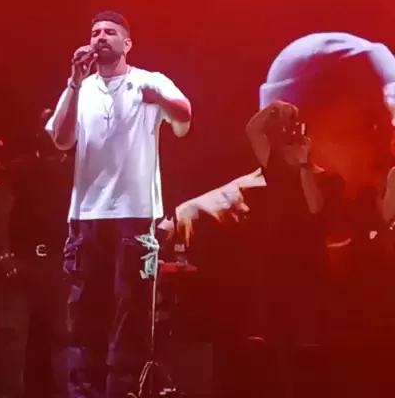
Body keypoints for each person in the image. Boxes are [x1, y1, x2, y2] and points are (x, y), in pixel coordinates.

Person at [159, 32, 395, 396]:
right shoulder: (205, 224)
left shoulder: (375, 224)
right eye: (370, 126)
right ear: (293, 135)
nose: (388, 145)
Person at [45, 11, 192, 398]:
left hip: (135, 215)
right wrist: (74, 82)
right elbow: (60, 139)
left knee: (130, 317)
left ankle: (124, 392)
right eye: (95, 32)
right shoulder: (81, 89)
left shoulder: (149, 80)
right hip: (86, 216)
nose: (100, 37)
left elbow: (185, 116)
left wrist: (158, 98)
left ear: (126, 44)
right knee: (83, 318)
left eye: (110, 32)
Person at [0, 111, 73, 398]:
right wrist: (5, 256)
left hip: (60, 266)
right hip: (23, 263)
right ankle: (10, 392)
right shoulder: (19, 168)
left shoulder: (76, 171)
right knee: (13, 336)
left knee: (64, 336)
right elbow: (0, 212)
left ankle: (66, 392)